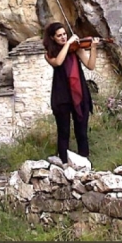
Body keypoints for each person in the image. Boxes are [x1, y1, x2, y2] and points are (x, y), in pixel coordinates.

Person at [43, 22, 98, 164]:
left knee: (82, 131)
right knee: (64, 132)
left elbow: (90, 66)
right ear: (52, 38)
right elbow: (58, 62)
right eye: (59, 35)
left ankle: (84, 162)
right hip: (62, 96)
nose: (63, 37)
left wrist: (93, 48)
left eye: (64, 34)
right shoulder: (49, 53)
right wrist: (68, 44)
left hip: (79, 92)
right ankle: (63, 163)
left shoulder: (76, 49)